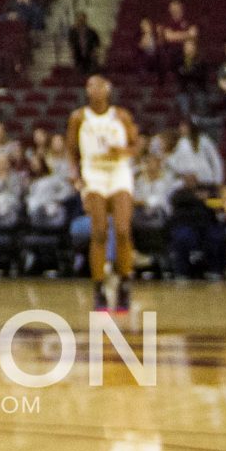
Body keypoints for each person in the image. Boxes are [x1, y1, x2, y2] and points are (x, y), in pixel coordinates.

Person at [69, 73, 139, 315]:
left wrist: (123, 150)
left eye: (99, 84)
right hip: (93, 173)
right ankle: (98, 289)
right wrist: (76, 178)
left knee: (122, 230)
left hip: (118, 172)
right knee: (98, 232)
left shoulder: (121, 116)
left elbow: (136, 146)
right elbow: (71, 152)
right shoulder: (78, 118)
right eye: (90, 84)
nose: (95, 89)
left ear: (108, 89)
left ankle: (124, 285)